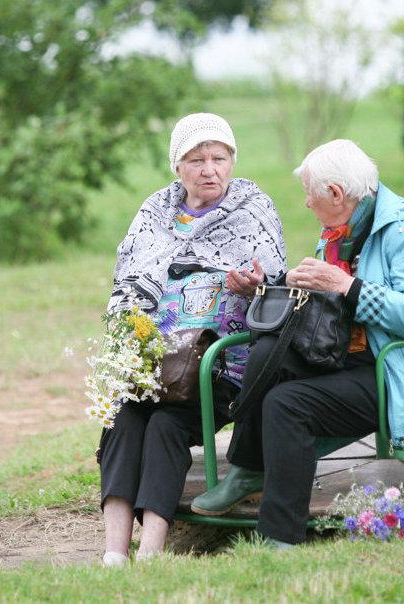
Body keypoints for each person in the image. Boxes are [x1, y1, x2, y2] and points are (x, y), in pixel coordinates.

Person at [190, 139, 404, 546]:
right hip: (354, 352)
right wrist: (269, 285)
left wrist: (347, 285)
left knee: (287, 404)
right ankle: (249, 468)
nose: (305, 203)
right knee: (268, 352)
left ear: (336, 194)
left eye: (310, 194)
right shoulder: (343, 227)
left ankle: (279, 538)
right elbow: (328, 301)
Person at [97, 113, 287, 566]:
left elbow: (278, 288)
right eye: (196, 159)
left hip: (220, 363)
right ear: (177, 166)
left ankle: (150, 553)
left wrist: (254, 286)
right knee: (121, 418)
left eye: (219, 158)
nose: (209, 169)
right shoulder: (155, 211)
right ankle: (112, 553)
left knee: (167, 424)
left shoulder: (252, 208)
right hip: (154, 358)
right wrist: (133, 331)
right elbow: (127, 279)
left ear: (232, 161)